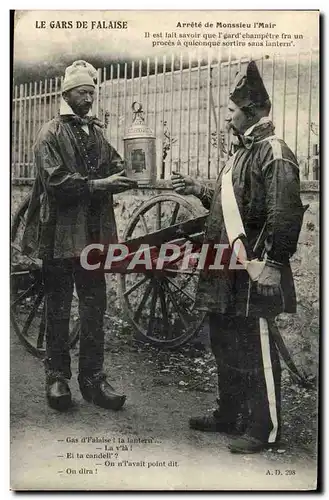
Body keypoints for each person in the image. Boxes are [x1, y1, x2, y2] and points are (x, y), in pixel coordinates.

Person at [171, 60, 304, 453]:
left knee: (256, 346)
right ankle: (229, 413)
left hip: (254, 271)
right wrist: (199, 188)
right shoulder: (241, 153)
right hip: (222, 271)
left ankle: (264, 429)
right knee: (224, 342)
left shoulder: (274, 153)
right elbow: (232, 209)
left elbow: (284, 213)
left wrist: (274, 265)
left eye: (231, 110)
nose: (227, 117)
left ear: (252, 110)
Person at [22, 60, 137, 412]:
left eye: (92, 92)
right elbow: (56, 183)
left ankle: (93, 379)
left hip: (92, 237)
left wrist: (135, 168)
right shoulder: (50, 134)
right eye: (83, 93)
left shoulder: (96, 133)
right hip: (58, 234)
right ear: (66, 94)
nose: (89, 98)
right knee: (58, 307)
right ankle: (57, 378)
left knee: (93, 307)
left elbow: (117, 163)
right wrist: (102, 184)